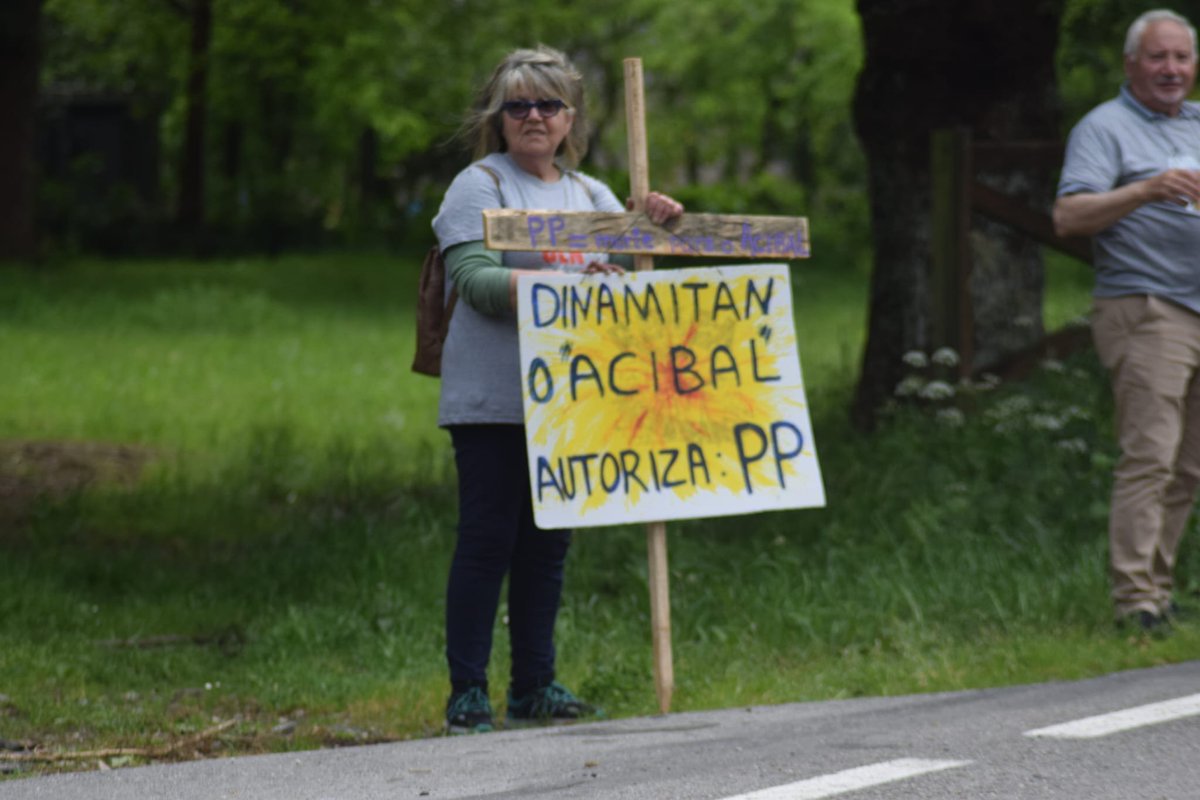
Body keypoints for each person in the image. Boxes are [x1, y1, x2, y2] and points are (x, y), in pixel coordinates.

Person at [430, 45, 684, 733]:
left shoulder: (591, 196)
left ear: (571, 117)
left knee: (547, 546)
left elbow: (634, 286)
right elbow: (476, 284)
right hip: (493, 400)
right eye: (518, 104)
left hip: (573, 402)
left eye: (548, 104)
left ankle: (534, 686)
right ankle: (468, 693)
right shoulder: (480, 188)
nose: (533, 116)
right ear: (499, 115)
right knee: (488, 540)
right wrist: (571, 285)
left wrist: (653, 225)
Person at [1053, 9, 1200, 635]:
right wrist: (1145, 190)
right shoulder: (1104, 128)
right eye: (1159, 57)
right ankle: (1134, 601)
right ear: (1131, 64)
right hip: (1146, 307)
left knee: (1191, 464)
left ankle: (1159, 591)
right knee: (1151, 455)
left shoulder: (1197, 122)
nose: (1172, 70)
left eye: (1182, 59)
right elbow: (1068, 217)